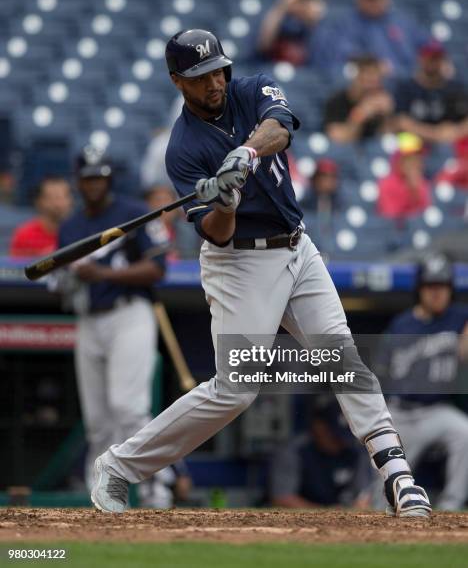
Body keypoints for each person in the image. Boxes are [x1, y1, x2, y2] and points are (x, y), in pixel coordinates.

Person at [90, 28, 431, 518]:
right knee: (236, 390)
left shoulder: (251, 89)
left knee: (342, 356)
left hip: (298, 246)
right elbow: (217, 234)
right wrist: (224, 201)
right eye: (200, 77)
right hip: (241, 264)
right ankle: (120, 466)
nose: (214, 83)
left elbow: (281, 128)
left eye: (217, 71)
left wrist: (246, 154)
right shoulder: (182, 148)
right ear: (177, 82)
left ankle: (398, 476)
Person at [57, 146, 168, 506]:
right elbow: (60, 277)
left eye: (100, 178)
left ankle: (155, 486)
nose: (94, 185)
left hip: (129, 313)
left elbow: (158, 268)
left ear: (110, 179)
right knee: (97, 420)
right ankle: (99, 491)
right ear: (78, 181)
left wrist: (102, 272)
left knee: (128, 408)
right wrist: (65, 280)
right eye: (88, 179)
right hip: (88, 319)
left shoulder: (134, 213)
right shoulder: (70, 227)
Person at [378, 255, 468, 510]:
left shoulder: (459, 317)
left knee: (465, 433)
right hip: (400, 413)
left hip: (436, 411)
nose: (437, 293)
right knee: (382, 485)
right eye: (431, 287)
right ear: (420, 290)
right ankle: (377, 516)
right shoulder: (402, 324)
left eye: (443, 287)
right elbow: (381, 372)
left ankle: (451, 506)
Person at [324, 0, 428, 76]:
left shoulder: (403, 21)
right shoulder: (346, 24)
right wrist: (374, 64)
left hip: (407, 81)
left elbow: (426, 45)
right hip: (370, 82)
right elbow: (345, 53)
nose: (376, 1)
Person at [270, 399, 371, 508]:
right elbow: (282, 498)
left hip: (342, 515)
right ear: (319, 426)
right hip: (301, 521)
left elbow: (363, 496)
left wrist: (354, 508)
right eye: (335, 435)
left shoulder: (354, 450)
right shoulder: (296, 450)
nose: (341, 442)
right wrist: (329, 514)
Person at [394, 41, 468, 144]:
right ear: (420, 59)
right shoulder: (406, 88)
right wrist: (435, 134)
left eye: (437, 58)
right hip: (417, 142)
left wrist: (456, 131)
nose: (433, 63)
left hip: (450, 141)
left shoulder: (455, 87)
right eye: (430, 58)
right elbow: (401, 121)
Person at [323, 54, 394, 144]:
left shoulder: (379, 100)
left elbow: (387, 139)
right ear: (355, 79)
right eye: (368, 80)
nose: (372, 86)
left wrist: (387, 116)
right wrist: (360, 114)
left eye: (376, 81)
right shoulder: (337, 101)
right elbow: (338, 139)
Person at [255, 0, 326, 66]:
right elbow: (264, 44)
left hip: (307, 71)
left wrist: (313, 15)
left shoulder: (319, 28)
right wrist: (282, 7)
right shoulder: (284, 21)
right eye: (300, 3)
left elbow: (316, 51)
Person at [9, 176, 72, 258]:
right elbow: (15, 267)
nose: (59, 204)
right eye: (52, 197)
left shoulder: (79, 231)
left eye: (64, 196)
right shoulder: (24, 235)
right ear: (39, 201)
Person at [378, 132, 431, 219]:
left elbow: (427, 215)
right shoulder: (387, 184)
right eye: (410, 158)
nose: (416, 163)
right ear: (399, 161)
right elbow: (392, 219)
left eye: (418, 157)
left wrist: (416, 190)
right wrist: (411, 190)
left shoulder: (423, 183)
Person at [144, 182, 201, 260]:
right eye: (157, 201)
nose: (162, 206)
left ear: (176, 205)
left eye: (166, 200)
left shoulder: (190, 229)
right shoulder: (141, 231)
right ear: (147, 204)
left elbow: (193, 258)